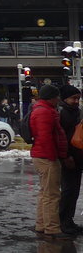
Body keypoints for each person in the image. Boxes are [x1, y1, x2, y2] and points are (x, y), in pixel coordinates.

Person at [31, 84, 74, 240]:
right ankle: (52, 229)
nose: (58, 99)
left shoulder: (42, 110)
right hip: (47, 158)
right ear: (51, 97)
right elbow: (46, 138)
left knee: (44, 193)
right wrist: (55, 158)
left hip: (43, 156)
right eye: (56, 97)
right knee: (52, 195)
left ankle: (41, 225)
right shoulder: (45, 112)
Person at [59, 86, 83, 235]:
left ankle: (69, 220)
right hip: (68, 158)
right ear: (65, 98)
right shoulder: (62, 113)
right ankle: (63, 221)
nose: (76, 101)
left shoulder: (76, 112)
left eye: (78, 98)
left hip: (78, 157)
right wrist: (66, 156)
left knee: (74, 191)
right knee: (68, 191)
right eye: (73, 98)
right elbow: (61, 138)